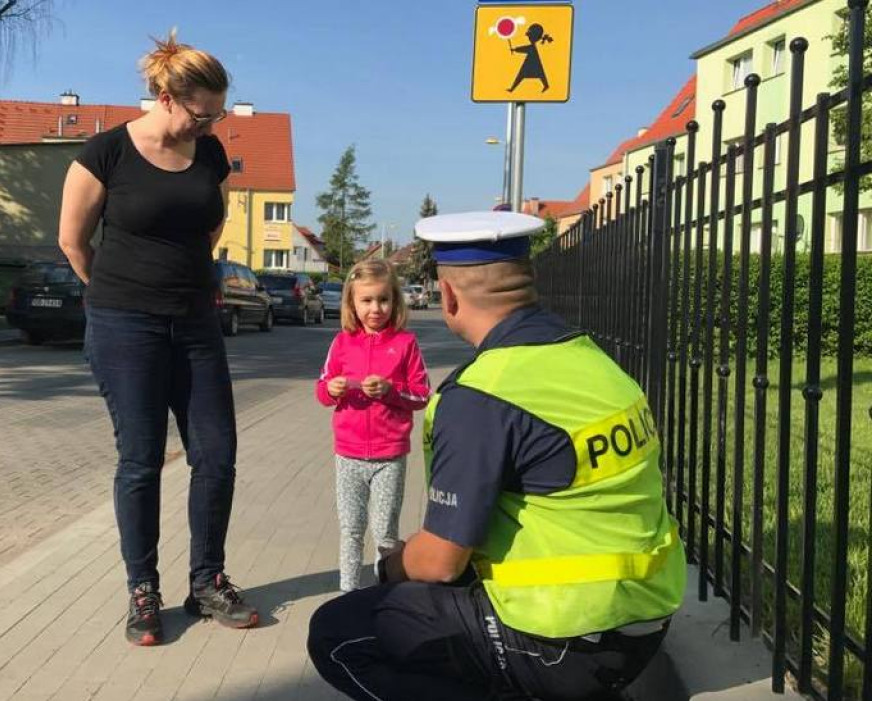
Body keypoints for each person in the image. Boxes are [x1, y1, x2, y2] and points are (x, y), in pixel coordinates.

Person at [307, 211, 686, 700]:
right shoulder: (592, 358)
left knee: (338, 634)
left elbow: (440, 561)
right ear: (528, 282)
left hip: (562, 638)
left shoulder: (483, 394)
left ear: (447, 297)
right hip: (644, 623)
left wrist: (390, 568)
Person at [58, 30, 257, 646]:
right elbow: (72, 240)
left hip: (196, 321)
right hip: (125, 324)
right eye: (205, 113)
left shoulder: (210, 153)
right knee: (141, 461)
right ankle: (143, 590)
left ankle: (207, 581)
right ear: (167, 96)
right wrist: (115, 295)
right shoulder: (105, 153)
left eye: (218, 113)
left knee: (216, 456)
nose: (212, 123)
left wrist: (187, 278)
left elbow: (213, 219)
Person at [315, 259, 431, 592]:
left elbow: (421, 394)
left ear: (395, 300)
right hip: (348, 455)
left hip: (389, 456)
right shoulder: (341, 343)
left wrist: (392, 391)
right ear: (352, 302)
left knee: (385, 534)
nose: (375, 308)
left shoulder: (405, 343)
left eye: (383, 299)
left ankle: (384, 594)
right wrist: (331, 389)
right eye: (366, 300)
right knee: (351, 530)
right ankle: (347, 594)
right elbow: (322, 390)